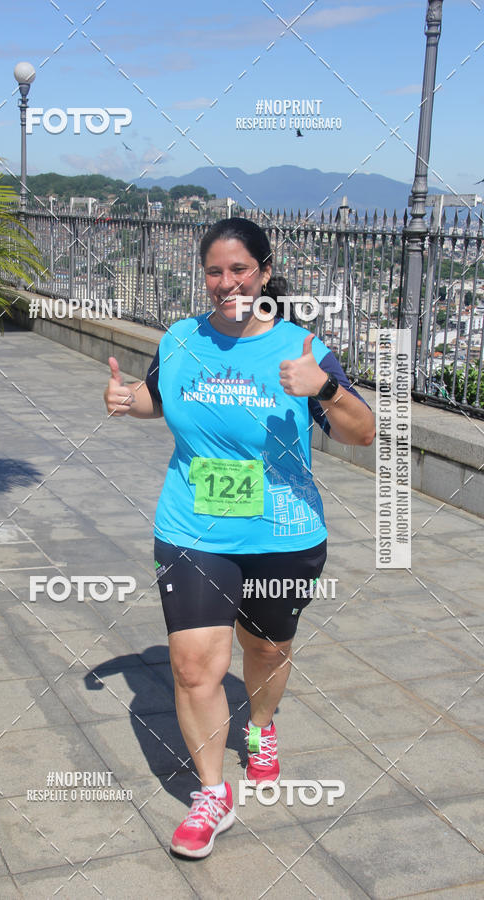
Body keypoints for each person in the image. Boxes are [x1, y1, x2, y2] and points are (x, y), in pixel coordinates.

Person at [103, 217, 375, 859]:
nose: (228, 283)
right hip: (193, 528)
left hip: (282, 533)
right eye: (215, 272)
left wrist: (326, 388)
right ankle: (211, 796)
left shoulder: (300, 347)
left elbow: (363, 433)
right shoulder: (180, 339)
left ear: (264, 269)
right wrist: (124, 400)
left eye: (240, 270)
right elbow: (156, 399)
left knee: (267, 651)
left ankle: (259, 726)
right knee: (195, 665)